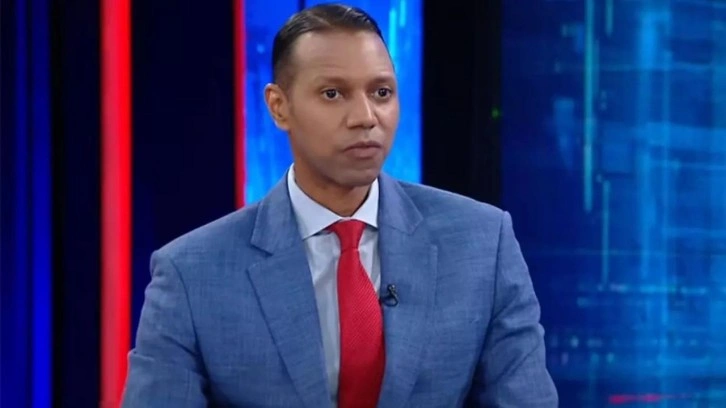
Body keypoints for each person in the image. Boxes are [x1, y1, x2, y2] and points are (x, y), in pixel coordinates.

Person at [122, 3, 558, 407]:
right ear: (279, 106)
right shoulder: (192, 273)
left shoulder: (483, 243)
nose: (365, 117)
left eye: (381, 92)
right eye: (333, 94)